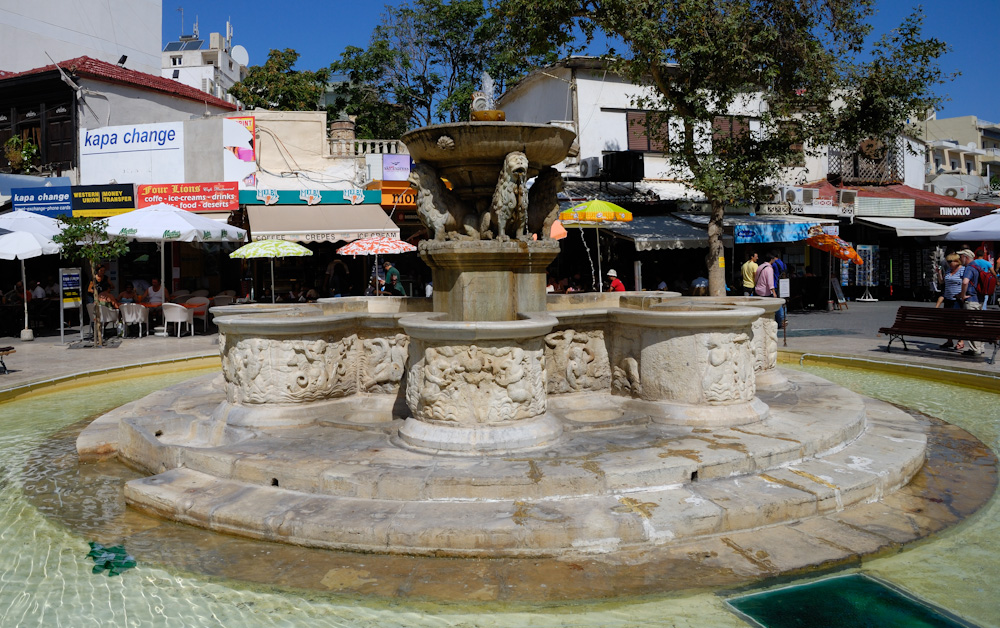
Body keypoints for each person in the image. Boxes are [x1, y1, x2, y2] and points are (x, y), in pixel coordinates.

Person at [956, 249, 983, 356]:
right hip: (979, 300)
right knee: (978, 325)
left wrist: (962, 295)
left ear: (966, 257)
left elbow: (965, 281)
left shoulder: (969, 268)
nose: (959, 259)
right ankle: (980, 347)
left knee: (971, 325)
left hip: (971, 300)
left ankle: (974, 349)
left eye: (961, 257)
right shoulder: (978, 266)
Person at [938, 252, 965, 351]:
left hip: (957, 299)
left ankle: (960, 341)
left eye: (950, 261)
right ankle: (949, 340)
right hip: (948, 298)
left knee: (958, 321)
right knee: (947, 321)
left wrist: (962, 294)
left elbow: (966, 283)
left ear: (956, 261)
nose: (948, 263)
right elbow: (942, 282)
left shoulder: (962, 270)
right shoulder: (949, 270)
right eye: (947, 261)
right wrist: (939, 273)